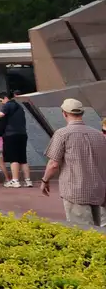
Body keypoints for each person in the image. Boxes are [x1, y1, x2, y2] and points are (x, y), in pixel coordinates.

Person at [41, 98, 106, 229]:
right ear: (82, 113)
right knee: (98, 229)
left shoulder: (62, 134)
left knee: (81, 230)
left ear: (64, 113)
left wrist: (45, 180)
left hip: (76, 189)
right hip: (98, 189)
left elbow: (53, 163)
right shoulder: (98, 135)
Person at [0, 91, 32, 188]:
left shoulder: (8, 105)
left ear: (5, 98)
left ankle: (15, 180)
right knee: (23, 159)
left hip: (11, 135)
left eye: (1, 100)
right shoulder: (19, 107)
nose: (1, 102)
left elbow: (0, 114)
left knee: (13, 158)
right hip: (22, 134)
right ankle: (28, 181)